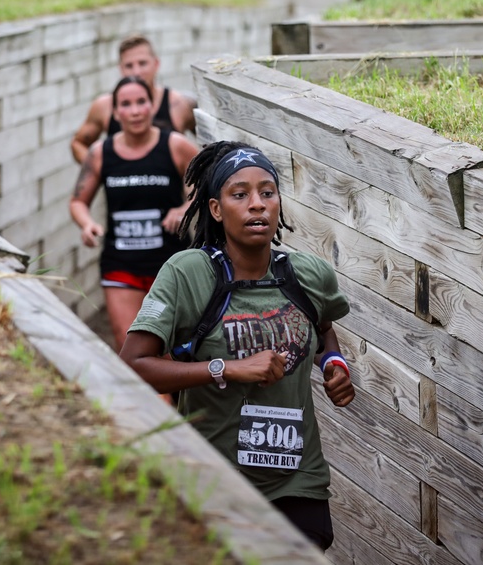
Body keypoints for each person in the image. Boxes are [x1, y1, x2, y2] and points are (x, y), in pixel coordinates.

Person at [119, 140, 356, 551]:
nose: (257, 205)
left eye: (267, 192)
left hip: (298, 480)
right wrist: (226, 368)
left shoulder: (309, 275)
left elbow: (321, 326)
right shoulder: (188, 274)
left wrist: (334, 362)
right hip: (215, 478)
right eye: (240, 194)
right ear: (216, 209)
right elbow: (132, 365)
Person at [70, 75, 200, 353]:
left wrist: (184, 208)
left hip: (171, 267)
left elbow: (207, 187)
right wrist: (87, 223)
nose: (135, 110)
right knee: (131, 352)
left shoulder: (175, 145)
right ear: (116, 112)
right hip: (121, 266)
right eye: (126, 104)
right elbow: (78, 201)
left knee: (170, 354)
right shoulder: (100, 153)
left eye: (141, 102)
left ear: (152, 106)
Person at [71, 34, 197, 165]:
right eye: (129, 66)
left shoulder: (178, 104)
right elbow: (78, 143)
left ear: (156, 64)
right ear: (121, 69)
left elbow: (208, 143)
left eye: (142, 63)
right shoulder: (104, 106)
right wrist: (99, 170)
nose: (136, 72)